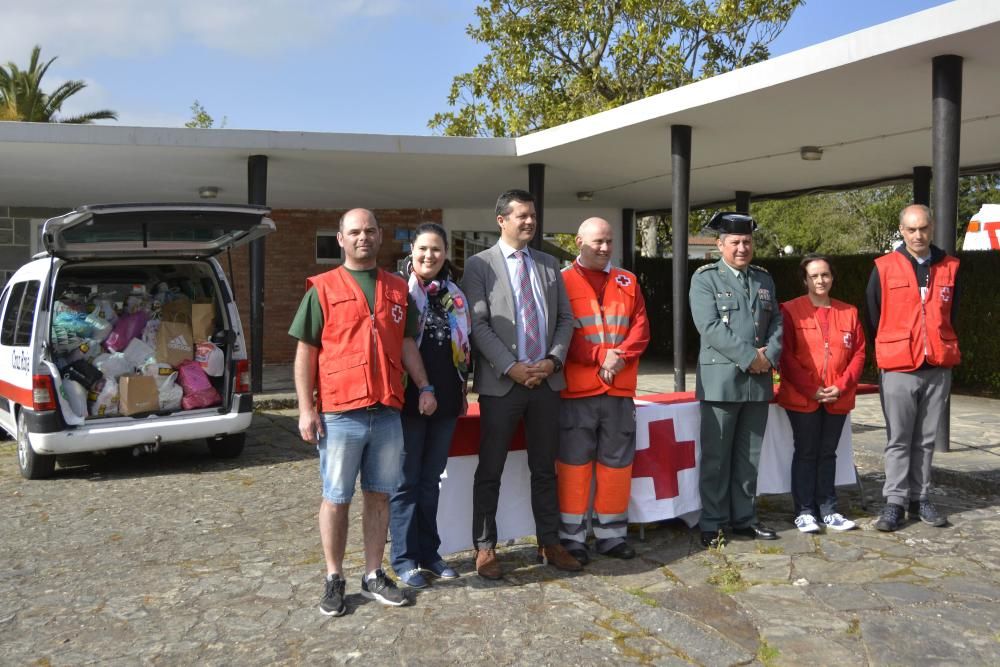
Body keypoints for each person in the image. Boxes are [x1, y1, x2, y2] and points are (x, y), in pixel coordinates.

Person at [290, 208, 437, 617]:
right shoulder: (321, 288)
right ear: (340, 238)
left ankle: (373, 573)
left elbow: (407, 344)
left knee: (379, 495)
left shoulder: (396, 288)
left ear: (380, 235)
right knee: (336, 497)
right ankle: (334, 577)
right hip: (339, 412)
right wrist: (305, 409)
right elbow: (306, 352)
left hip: (387, 411)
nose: (363, 238)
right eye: (354, 232)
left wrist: (424, 385)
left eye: (370, 231)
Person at [461, 188, 579, 579]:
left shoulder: (548, 264)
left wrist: (552, 360)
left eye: (532, 216)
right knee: (490, 468)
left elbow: (565, 319)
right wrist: (510, 366)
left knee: (545, 467)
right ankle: (485, 546)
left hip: (546, 382)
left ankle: (550, 541)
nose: (529, 222)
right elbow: (477, 324)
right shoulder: (479, 266)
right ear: (501, 220)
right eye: (521, 216)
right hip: (502, 384)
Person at [557, 217, 650, 562]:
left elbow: (640, 328)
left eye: (609, 241)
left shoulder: (629, 281)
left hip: (618, 391)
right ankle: (571, 537)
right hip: (577, 391)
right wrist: (600, 356)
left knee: (617, 465)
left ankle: (612, 536)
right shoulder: (561, 282)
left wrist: (619, 358)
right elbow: (561, 333)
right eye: (597, 241)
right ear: (578, 241)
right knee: (573, 464)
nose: (605, 247)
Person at [689, 211, 783, 549]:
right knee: (716, 458)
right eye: (735, 242)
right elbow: (710, 327)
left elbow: (777, 323)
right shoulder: (705, 279)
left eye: (747, 242)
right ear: (720, 245)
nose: (742, 248)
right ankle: (713, 522)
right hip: (722, 382)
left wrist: (768, 356)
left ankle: (744, 518)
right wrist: (751, 357)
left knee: (749, 456)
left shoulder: (763, 279)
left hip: (757, 383)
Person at [866, 204, 960, 532]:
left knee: (926, 439)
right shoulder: (883, 267)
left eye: (923, 228)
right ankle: (894, 502)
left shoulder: (950, 266)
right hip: (898, 367)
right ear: (901, 231)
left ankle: (920, 499)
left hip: (936, 365)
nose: (917, 235)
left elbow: (951, 313)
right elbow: (874, 315)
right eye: (911, 229)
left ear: (931, 228)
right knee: (898, 438)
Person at [389, 223, 471, 588]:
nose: (429, 256)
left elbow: (462, 351)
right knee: (405, 482)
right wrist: (423, 388)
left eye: (436, 250)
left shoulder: (454, 294)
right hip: (408, 401)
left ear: (445, 254)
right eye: (423, 249)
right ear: (412, 251)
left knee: (430, 481)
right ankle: (404, 559)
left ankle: (430, 554)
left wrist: (462, 391)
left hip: (447, 402)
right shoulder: (397, 291)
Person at [777, 254, 865, 533]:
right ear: (805, 280)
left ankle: (829, 509)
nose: (820, 280)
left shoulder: (849, 312)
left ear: (832, 277)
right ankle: (804, 511)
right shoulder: (790, 310)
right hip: (804, 397)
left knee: (828, 453)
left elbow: (859, 353)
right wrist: (811, 388)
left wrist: (841, 385)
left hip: (837, 396)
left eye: (824, 274)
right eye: (814, 276)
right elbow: (786, 356)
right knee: (806, 451)